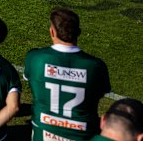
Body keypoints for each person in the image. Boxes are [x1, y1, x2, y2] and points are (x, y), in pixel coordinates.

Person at [24, 9, 111, 141]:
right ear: (79, 33)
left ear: (52, 32)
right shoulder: (96, 66)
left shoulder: (35, 58)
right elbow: (102, 92)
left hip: (42, 133)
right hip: (81, 134)